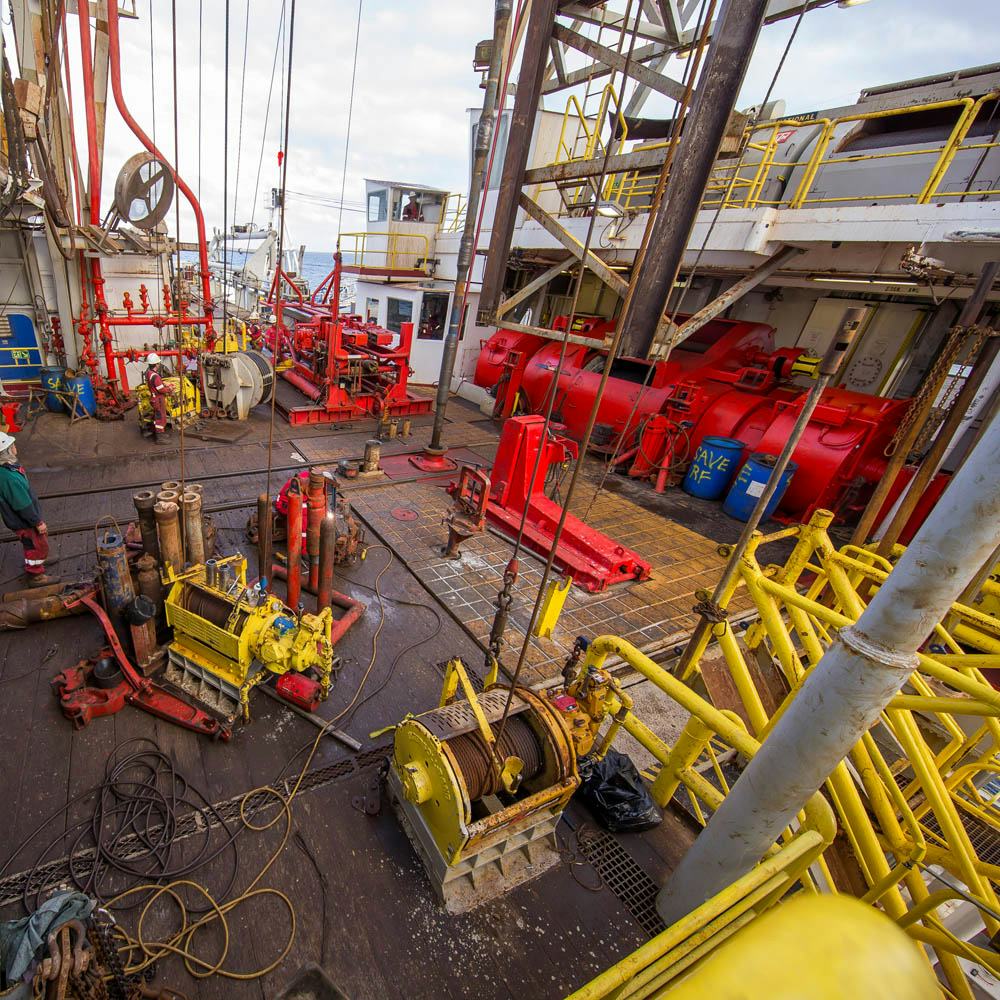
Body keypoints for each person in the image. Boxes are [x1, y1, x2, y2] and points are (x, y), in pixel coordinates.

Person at [0, 432, 51, 586]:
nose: (15, 447)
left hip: (24, 519)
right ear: (6, 451)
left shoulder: (8, 469)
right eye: (12, 445)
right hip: (25, 521)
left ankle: (39, 560)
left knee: (34, 543)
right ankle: (35, 574)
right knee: (36, 544)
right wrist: (37, 522)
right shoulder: (8, 478)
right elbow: (22, 505)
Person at [142, 353, 172, 444]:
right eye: (158, 363)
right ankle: (160, 439)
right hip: (158, 399)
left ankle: (160, 433)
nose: (159, 365)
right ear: (156, 364)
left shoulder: (149, 373)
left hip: (154, 398)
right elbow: (161, 390)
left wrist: (163, 383)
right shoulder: (156, 376)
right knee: (160, 417)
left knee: (157, 416)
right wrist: (169, 388)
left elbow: (156, 385)